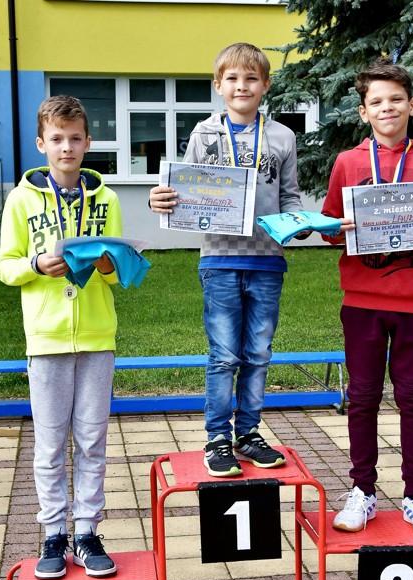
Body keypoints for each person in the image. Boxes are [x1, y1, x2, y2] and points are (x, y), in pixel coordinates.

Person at [150, 42, 314, 477]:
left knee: (258, 353)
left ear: (266, 85)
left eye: (251, 78)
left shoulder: (282, 136)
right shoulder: (203, 134)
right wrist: (160, 200)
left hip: (267, 260)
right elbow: (184, 191)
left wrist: (300, 223)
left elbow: (290, 196)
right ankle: (217, 438)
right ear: (218, 85)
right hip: (219, 260)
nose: (242, 86)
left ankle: (249, 433)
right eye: (233, 79)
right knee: (224, 355)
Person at [321, 58, 413, 538]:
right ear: (364, 111)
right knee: (362, 398)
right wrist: (337, 229)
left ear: (412, 105)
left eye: (396, 99)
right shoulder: (347, 163)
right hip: (362, 300)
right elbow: (329, 229)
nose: (388, 108)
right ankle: (362, 490)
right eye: (377, 101)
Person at [0, 95, 123, 578]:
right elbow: (6, 267)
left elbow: (118, 272)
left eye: (74, 138)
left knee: (92, 441)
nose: (66, 147)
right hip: (46, 339)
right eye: (57, 139)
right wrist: (35, 264)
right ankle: (53, 533)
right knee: (50, 446)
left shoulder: (107, 200)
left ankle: (87, 532)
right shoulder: (21, 200)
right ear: (41, 144)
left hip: (97, 337)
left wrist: (108, 265)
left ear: (88, 142)